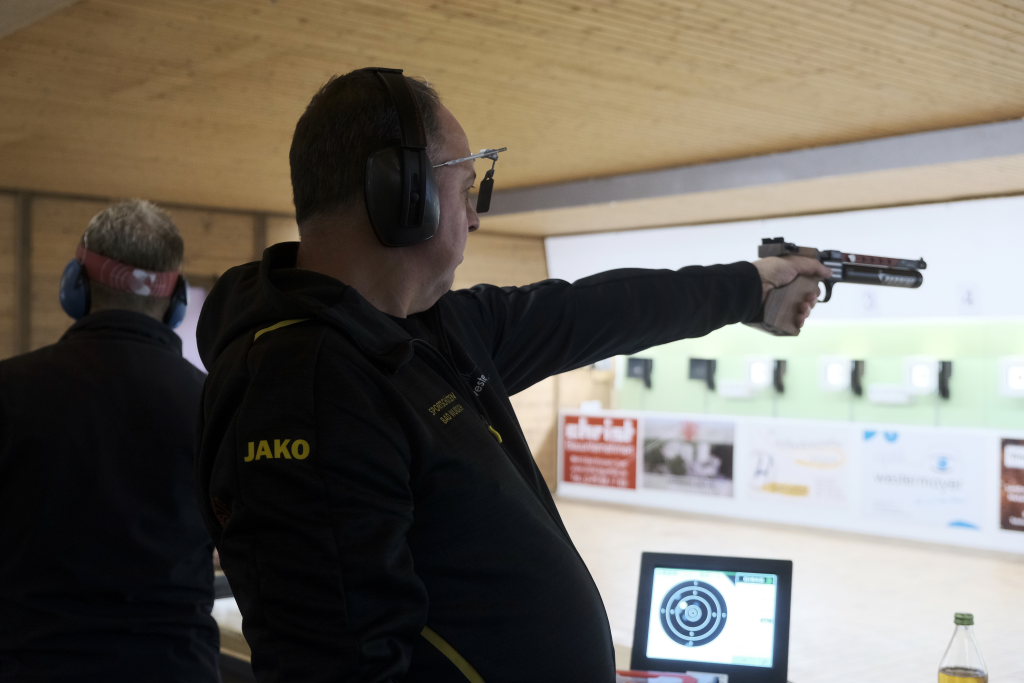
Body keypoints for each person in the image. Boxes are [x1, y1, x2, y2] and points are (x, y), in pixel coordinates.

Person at [195, 67, 831, 682]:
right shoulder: (306, 389)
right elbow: (341, 663)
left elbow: (596, 311)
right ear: (402, 192)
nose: (475, 216)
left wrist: (751, 288)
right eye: (465, 187)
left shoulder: (427, 329)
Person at [0, 199, 220, 682]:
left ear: (75, 284)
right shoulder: (212, 403)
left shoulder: (9, 390)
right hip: (174, 669)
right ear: (176, 298)